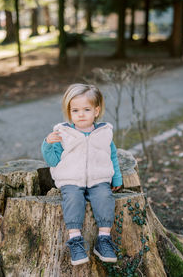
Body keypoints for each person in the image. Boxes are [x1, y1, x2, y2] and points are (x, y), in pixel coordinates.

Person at [41, 83, 122, 266]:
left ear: (96, 110)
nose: (81, 114)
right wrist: (47, 143)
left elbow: (113, 156)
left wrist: (116, 177)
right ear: (69, 112)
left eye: (86, 109)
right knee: (73, 200)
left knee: (104, 197)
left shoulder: (103, 132)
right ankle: (75, 240)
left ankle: (103, 239)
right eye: (75, 110)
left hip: (98, 178)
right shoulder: (63, 133)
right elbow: (53, 160)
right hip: (71, 179)